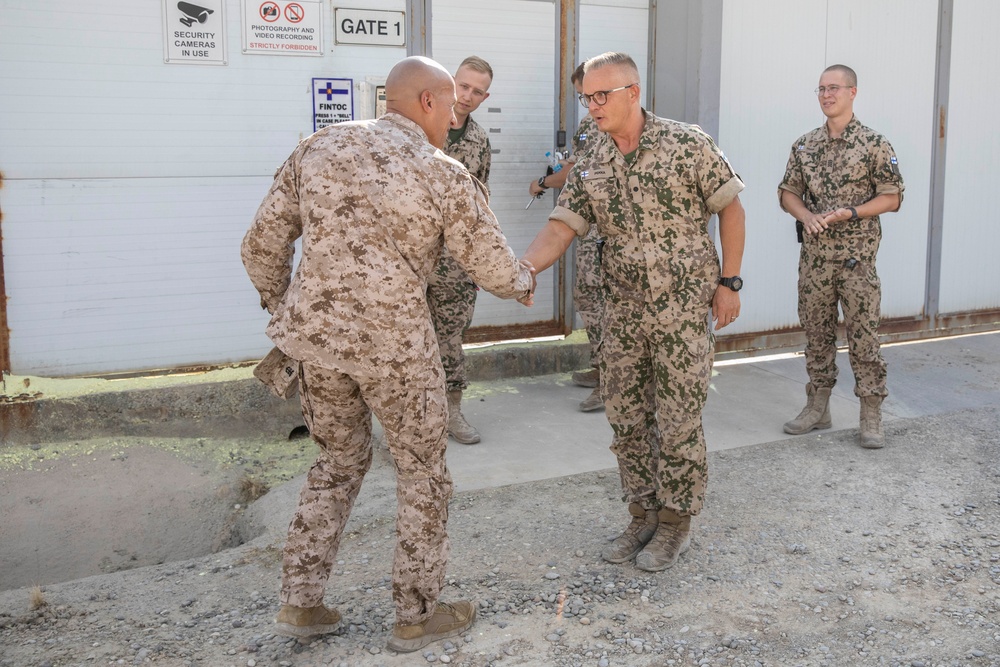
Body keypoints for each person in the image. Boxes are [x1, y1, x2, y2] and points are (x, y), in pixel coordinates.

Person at [241, 56, 535, 653]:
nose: (455, 118)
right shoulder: (441, 170)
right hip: (397, 350)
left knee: (336, 465)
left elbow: (260, 245)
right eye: (452, 104)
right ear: (427, 102)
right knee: (422, 472)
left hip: (319, 349)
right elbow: (495, 270)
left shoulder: (317, 148)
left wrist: (288, 312)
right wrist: (525, 280)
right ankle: (414, 616)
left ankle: (300, 604)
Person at [521, 52, 746, 572]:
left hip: (683, 310)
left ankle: (675, 523)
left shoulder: (687, 143)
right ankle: (641, 513)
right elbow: (562, 226)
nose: (593, 105)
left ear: (633, 92)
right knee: (626, 417)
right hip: (621, 309)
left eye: (603, 95)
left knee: (678, 420)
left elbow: (731, 207)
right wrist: (525, 269)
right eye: (587, 97)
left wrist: (729, 282)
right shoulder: (593, 158)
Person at [778, 64, 904, 449]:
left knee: (864, 339)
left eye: (834, 88)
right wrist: (806, 215)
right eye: (820, 89)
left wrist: (851, 212)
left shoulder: (874, 144)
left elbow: (892, 197)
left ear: (853, 92)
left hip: (857, 261)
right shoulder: (804, 145)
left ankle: (870, 414)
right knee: (816, 336)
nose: (826, 95)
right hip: (815, 261)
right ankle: (818, 407)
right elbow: (787, 193)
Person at [528, 62, 606, 412]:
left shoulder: (595, 123)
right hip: (591, 225)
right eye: (582, 95)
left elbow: (577, 171)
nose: (587, 102)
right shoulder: (595, 121)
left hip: (601, 231)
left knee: (596, 300)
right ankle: (604, 369)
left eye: (589, 93)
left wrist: (543, 183)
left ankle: (610, 380)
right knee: (592, 298)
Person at [428, 56, 495, 445]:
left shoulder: (479, 141)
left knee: (450, 340)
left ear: (486, 96)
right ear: (451, 82)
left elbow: (481, 207)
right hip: (409, 260)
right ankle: (408, 421)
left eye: (476, 91)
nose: (466, 96)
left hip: (454, 264)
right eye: (463, 86)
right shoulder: (418, 126)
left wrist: (480, 264)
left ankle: (452, 412)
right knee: (401, 340)